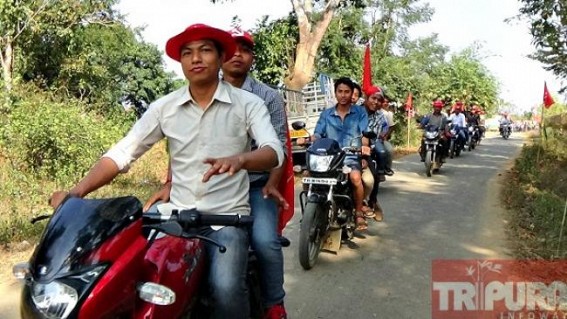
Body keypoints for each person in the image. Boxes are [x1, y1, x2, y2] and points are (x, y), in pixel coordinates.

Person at [49, 24, 285, 319]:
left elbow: (274, 151)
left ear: (220, 57)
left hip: (226, 219)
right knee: (139, 282)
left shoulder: (250, 103)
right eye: (187, 53)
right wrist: (76, 193)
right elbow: (123, 153)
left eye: (205, 50)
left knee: (225, 289)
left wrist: (242, 160)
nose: (196, 58)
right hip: (174, 218)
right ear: (181, 61)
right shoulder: (164, 107)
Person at [142, 27, 289, 319]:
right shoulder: (191, 94)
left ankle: (274, 303)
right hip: (203, 189)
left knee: (264, 241)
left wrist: (271, 183)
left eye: (244, 49)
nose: (237, 54)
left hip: (254, 185)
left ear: (251, 58)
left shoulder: (263, 97)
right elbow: (188, 148)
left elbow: (277, 146)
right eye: (232, 48)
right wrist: (171, 182)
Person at [299, 77, 370, 230]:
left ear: (352, 94)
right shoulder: (326, 114)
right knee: (306, 175)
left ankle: (358, 213)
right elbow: (318, 133)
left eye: (347, 92)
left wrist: (364, 148)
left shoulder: (360, 113)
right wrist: (307, 139)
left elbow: (365, 134)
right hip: (329, 158)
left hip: (350, 156)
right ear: (335, 93)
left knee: (356, 177)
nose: (343, 95)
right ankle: (309, 211)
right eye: (340, 91)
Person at [361, 85, 387, 221]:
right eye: (373, 98)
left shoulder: (380, 116)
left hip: (365, 149)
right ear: (366, 98)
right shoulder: (355, 109)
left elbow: (373, 137)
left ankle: (371, 202)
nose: (375, 102)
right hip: (346, 146)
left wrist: (364, 146)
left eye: (379, 100)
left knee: (373, 177)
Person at [380, 96, 395, 175]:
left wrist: (385, 136)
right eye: (384, 101)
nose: (385, 103)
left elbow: (391, 127)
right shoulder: (372, 111)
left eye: (387, 102)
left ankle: (387, 167)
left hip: (382, 139)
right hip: (371, 138)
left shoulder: (388, 114)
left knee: (389, 150)